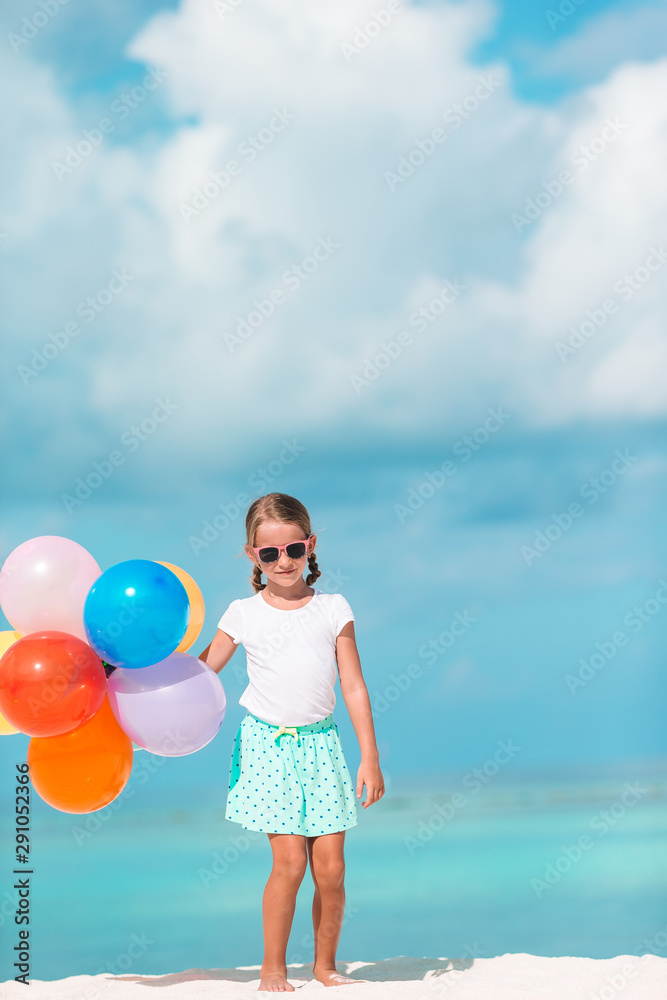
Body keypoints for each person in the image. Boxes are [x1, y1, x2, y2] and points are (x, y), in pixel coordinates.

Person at [200, 492, 385, 992]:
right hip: (266, 747)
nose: (283, 561)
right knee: (289, 863)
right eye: (269, 553)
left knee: (332, 868)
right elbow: (201, 674)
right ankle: (273, 969)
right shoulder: (241, 613)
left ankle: (325, 966)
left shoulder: (333, 608)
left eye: (294, 550)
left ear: (311, 546)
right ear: (252, 555)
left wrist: (369, 756)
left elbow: (353, 686)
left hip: (322, 747)